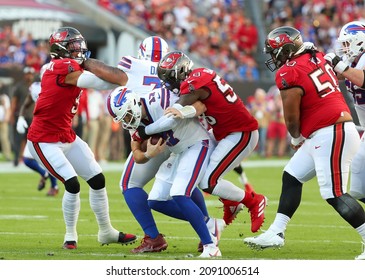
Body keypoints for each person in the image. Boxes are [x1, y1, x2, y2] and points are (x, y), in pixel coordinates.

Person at [243, 26, 365, 260]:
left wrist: (296, 138)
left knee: (335, 194)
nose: (273, 56)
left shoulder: (289, 72)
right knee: (292, 175)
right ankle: (276, 232)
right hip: (330, 130)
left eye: (275, 51)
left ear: (287, 49)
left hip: (331, 131)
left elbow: (291, 117)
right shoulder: (316, 56)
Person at [26, 26, 136, 249]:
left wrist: (118, 78)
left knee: (97, 179)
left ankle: (106, 232)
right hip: (43, 140)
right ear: (60, 49)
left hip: (66, 135)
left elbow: (112, 80)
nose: (78, 49)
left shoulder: (68, 66)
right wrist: (127, 79)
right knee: (72, 184)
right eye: (73, 46)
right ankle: (70, 236)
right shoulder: (60, 67)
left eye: (78, 45)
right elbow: (111, 80)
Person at [138, 51, 268, 233]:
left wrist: (146, 130)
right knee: (202, 176)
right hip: (223, 132)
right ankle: (229, 200)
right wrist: (185, 111)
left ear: (181, 72)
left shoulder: (195, 82)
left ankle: (253, 201)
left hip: (240, 132)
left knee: (208, 182)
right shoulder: (200, 76)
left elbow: (175, 113)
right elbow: (201, 105)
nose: (168, 84)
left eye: (169, 79)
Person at [108, 86, 224, 258]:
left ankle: (210, 247)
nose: (127, 121)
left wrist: (146, 131)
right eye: (123, 118)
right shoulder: (136, 120)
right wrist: (149, 154)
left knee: (180, 192)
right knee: (155, 201)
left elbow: (173, 120)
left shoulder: (160, 99)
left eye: (126, 115)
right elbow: (136, 153)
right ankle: (208, 224)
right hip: (178, 152)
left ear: (134, 103)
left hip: (197, 144)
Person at [325, 20, 365, 204]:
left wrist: (339, 65)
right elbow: (338, 73)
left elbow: (361, 79)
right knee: (358, 188)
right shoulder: (353, 61)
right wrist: (315, 59)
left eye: (347, 43)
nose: (345, 48)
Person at [16, 63, 59, 196]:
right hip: (37, 127)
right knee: (27, 159)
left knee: (50, 160)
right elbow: (27, 103)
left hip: (52, 127)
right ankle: (45, 174)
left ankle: (55, 186)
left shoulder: (59, 88)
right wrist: (20, 117)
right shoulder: (35, 88)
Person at [10, 66, 36, 166]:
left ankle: (32, 159)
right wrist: (12, 116)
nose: (29, 76)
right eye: (27, 74)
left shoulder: (37, 86)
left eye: (30, 74)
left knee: (32, 140)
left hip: (33, 118)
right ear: (25, 75)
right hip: (20, 117)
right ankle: (16, 159)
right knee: (18, 139)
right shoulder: (19, 86)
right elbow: (14, 102)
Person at [0, 86, 12, 161]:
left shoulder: (4, 97)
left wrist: (7, 118)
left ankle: (7, 155)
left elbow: (8, 109)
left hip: (2, 121)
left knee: (4, 138)